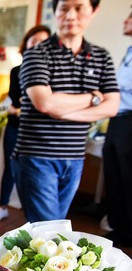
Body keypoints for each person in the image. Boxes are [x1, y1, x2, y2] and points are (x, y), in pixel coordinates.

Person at [13, 0, 120, 223]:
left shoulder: (102, 57)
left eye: (79, 8)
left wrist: (62, 109)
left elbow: (112, 106)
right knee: (49, 228)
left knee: (51, 227)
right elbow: (45, 104)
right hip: (37, 155)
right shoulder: (37, 54)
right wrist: (93, 98)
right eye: (64, 8)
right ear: (56, 11)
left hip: (74, 157)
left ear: (93, 10)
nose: (70, 15)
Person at [0, 25, 51, 222]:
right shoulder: (17, 71)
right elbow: (16, 99)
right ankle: (2, 206)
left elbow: (48, 102)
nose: (37, 45)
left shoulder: (52, 71)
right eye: (33, 41)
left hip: (40, 131)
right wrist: (35, 102)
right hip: (16, 127)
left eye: (43, 42)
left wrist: (28, 104)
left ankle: (31, 215)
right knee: (11, 167)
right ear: (26, 44)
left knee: (37, 172)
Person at [102, 9, 132, 247]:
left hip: (130, 121)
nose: (125, 20)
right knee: (114, 174)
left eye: (129, 17)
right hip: (116, 119)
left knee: (127, 177)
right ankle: (120, 228)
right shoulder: (129, 51)